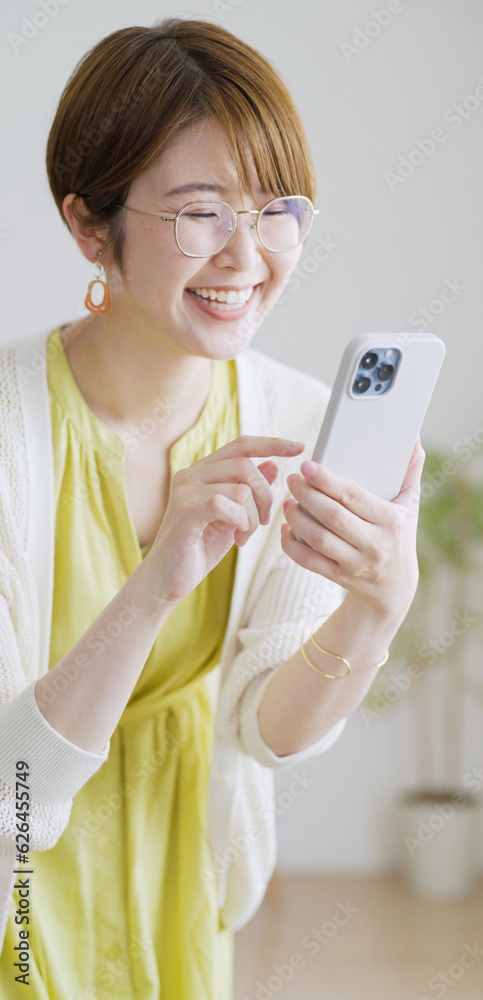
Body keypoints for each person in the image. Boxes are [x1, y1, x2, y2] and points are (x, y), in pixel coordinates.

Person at [0, 16, 425, 999]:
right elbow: (10, 794)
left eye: (276, 210)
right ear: (89, 227)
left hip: (180, 892)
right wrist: (154, 586)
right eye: (201, 213)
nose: (248, 254)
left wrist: (376, 608)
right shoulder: (13, 435)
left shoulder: (294, 423)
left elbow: (263, 729)